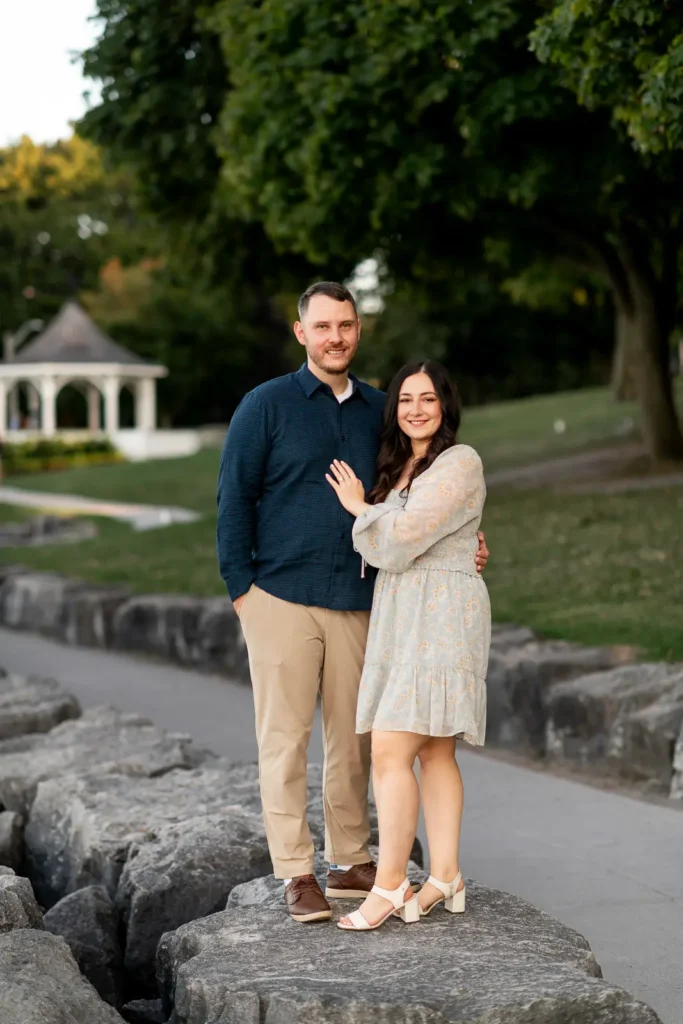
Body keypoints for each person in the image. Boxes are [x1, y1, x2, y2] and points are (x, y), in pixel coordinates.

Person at [217, 282, 489, 923]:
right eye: (322, 326)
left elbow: (419, 492)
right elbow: (234, 498)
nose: (335, 337)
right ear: (300, 332)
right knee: (283, 739)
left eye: (345, 325)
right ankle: (295, 871)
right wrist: (241, 591)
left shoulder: (382, 409)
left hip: (364, 601)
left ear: (358, 330)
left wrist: (467, 538)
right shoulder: (266, 405)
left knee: (357, 741)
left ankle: (352, 857)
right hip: (278, 595)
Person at [326, 361, 490, 932]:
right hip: (405, 613)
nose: (415, 409)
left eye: (427, 398)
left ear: (446, 405)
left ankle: (390, 883)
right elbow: (412, 534)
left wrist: (359, 510)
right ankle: (446, 876)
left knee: (391, 751)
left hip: (441, 615)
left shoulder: (459, 461)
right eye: (404, 400)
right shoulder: (400, 467)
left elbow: (399, 541)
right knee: (435, 751)